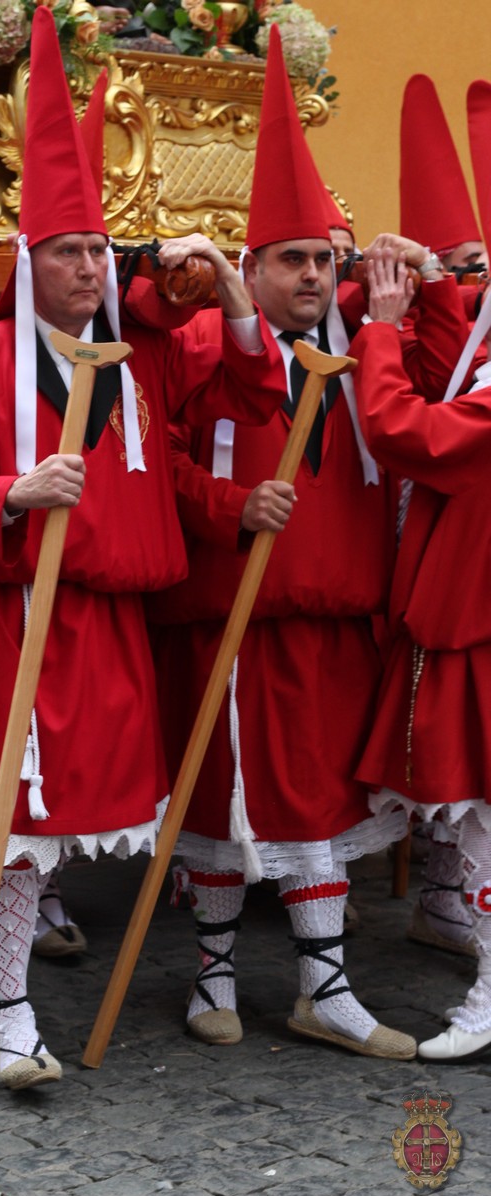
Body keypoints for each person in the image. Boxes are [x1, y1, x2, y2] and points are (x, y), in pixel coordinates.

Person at [0, 7, 287, 1092]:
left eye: (96, 250)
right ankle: (5, 1005)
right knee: (15, 824)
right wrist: (12, 492)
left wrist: (233, 295)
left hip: (101, 632)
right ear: (30, 265)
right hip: (5, 621)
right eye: (65, 251)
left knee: (54, 825)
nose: (84, 266)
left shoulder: (134, 360)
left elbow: (245, 394)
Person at [148, 26, 418, 1061]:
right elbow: (155, 462)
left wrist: (415, 272)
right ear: (251, 267)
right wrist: (226, 507)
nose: (312, 275)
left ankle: (322, 989)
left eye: (324, 259)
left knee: (317, 805)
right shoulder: (199, 344)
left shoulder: (366, 343)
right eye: (291, 260)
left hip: (336, 618)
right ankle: (212, 977)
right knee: (225, 800)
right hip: (234, 615)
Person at [351, 246, 491, 1060]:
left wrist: (380, 329)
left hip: (475, 626)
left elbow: (406, 431)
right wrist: (437, 294)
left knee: (482, 820)